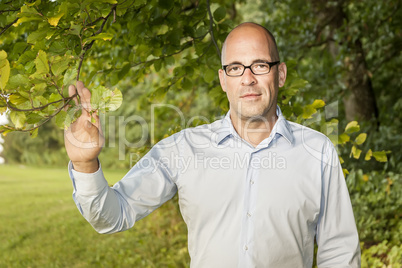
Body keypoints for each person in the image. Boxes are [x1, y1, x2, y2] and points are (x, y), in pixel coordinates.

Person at [65, 22, 361, 267]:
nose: (247, 79)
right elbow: (113, 216)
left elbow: (339, 252)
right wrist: (85, 164)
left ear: (280, 74)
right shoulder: (182, 149)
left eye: (259, 65)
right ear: (223, 79)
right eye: (235, 68)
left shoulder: (317, 152)